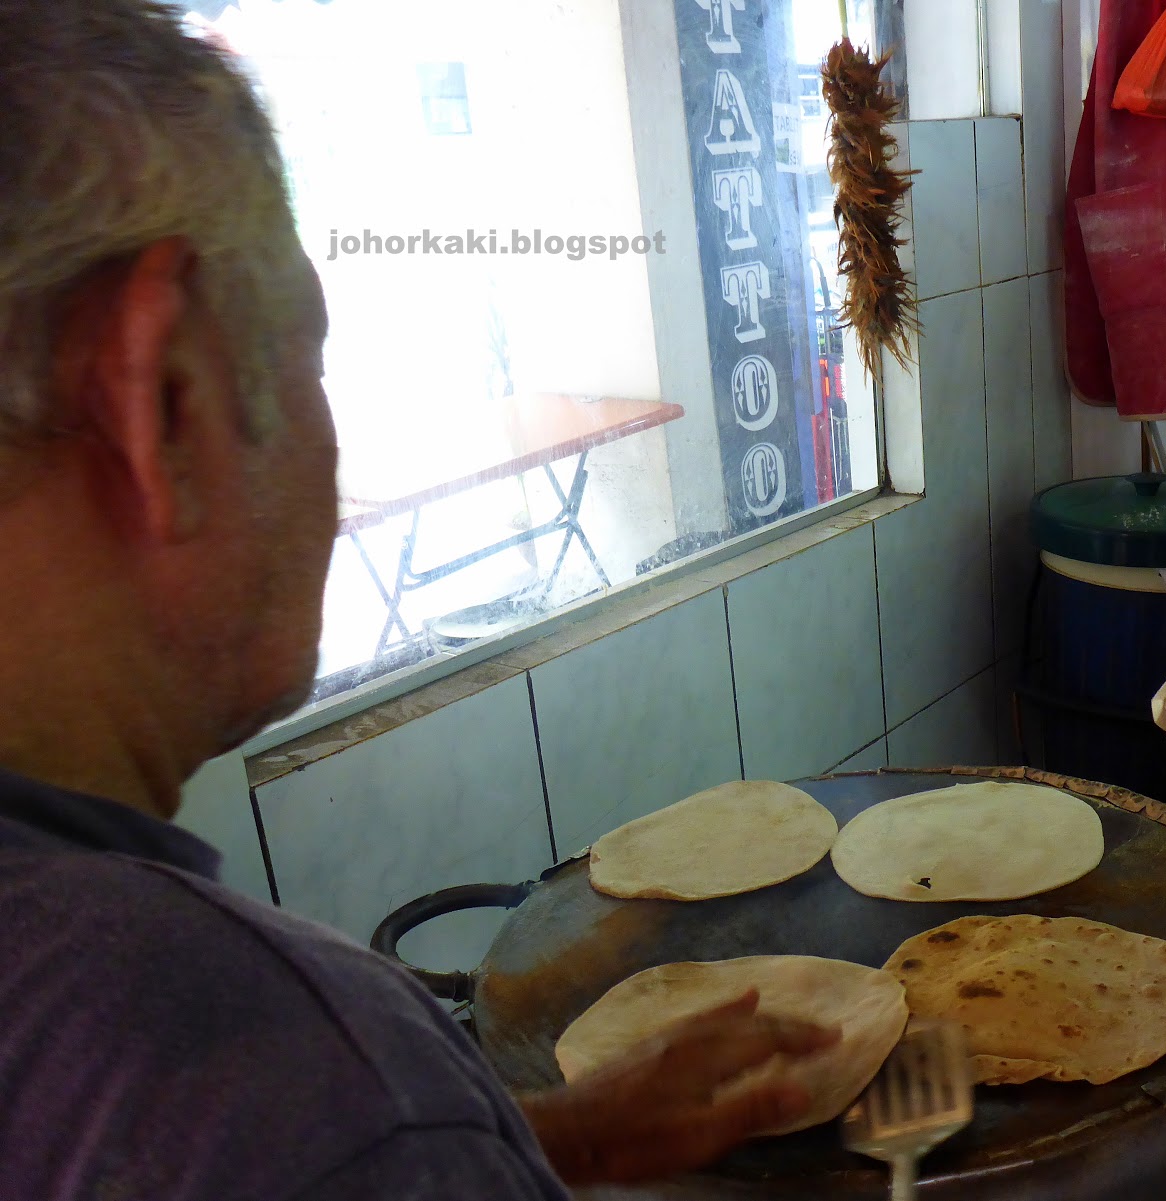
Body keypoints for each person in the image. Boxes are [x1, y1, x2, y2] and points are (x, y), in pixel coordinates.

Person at [0, 3, 842, 1198]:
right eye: (312, 353)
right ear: (167, 395)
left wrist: (551, 1143)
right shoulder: (288, 1083)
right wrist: (426, 1140)